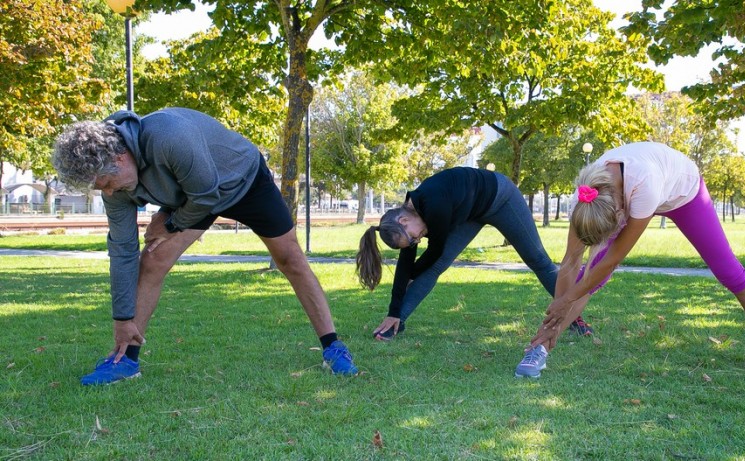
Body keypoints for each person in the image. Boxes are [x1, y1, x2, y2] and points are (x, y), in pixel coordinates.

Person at [52, 107, 359, 385]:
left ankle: (333, 346)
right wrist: (122, 318)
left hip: (242, 181)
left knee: (289, 258)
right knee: (153, 260)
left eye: (106, 183)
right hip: (194, 194)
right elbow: (122, 250)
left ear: (119, 159)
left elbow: (207, 196)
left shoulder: (169, 137)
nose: (108, 192)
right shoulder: (115, 187)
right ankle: (125, 359)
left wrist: (170, 223)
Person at [516, 142, 745, 381]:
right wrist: (553, 320)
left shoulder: (644, 186)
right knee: (584, 275)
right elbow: (570, 262)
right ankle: (540, 348)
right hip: (623, 193)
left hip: (684, 193)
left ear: (620, 210)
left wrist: (565, 299)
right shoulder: (586, 199)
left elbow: (610, 261)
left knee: (729, 271)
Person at [355, 166, 593, 340]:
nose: (417, 241)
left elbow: (432, 253)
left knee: (538, 260)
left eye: (414, 238)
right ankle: (398, 323)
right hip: (471, 212)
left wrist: (411, 273)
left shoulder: (434, 207)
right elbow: (407, 264)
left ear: (404, 220)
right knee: (435, 267)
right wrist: (394, 310)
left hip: (501, 197)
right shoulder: (411, 222)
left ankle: (573, 314)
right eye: (413, 242)